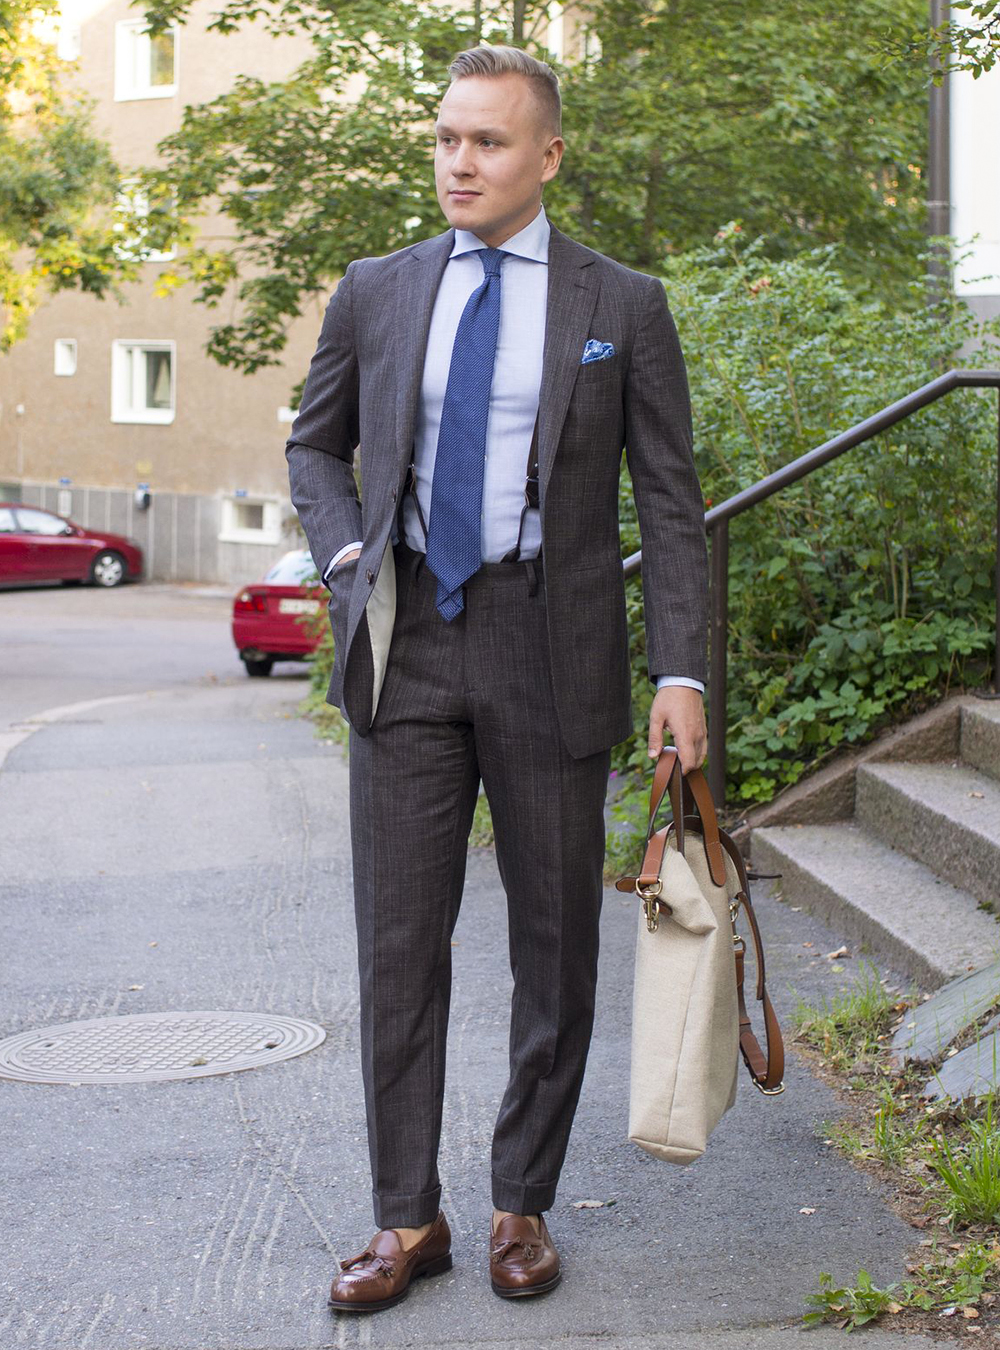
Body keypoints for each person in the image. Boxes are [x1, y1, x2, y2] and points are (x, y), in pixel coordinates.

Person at [286, 43, 709, 1312]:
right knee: (400, 945)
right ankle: (404, 1220)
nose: (456, 162)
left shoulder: (619, 305)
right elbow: (316, 447)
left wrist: (682, 671)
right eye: (444, 139)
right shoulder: (377, 289)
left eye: (484, 142)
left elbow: (672, 505)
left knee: (555, 945)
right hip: (407, 638)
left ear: (547, 156)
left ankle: (521, 1198)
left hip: (550, 643)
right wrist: (349, 556)